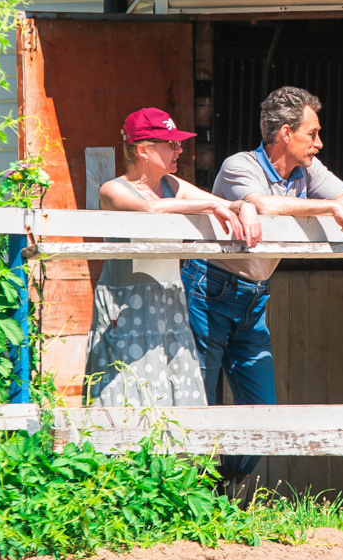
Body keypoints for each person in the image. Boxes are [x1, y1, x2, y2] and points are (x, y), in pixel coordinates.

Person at [190, 85, 343, 495]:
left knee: (264, 411)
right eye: (313, 133)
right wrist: (328, 207)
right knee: (198, 399)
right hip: (210, 291)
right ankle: (193, 497)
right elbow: (266, 205)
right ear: (286, 133)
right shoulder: (240, 165)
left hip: (253, 296)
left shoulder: (307, 171)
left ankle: (220, 487)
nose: (319, 143)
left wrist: (334, 205)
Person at [86, 109, 262, 412]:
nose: (179, 149)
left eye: (178, 143)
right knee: (126, 393)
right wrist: (208, 205)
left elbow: (227, 203)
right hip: (126, 307)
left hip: (168, 302)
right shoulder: (113, 188)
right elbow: (149, 209)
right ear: (142, 150)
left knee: (174, 392)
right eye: (171, 144)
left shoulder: (173, 185)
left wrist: (245, 206)